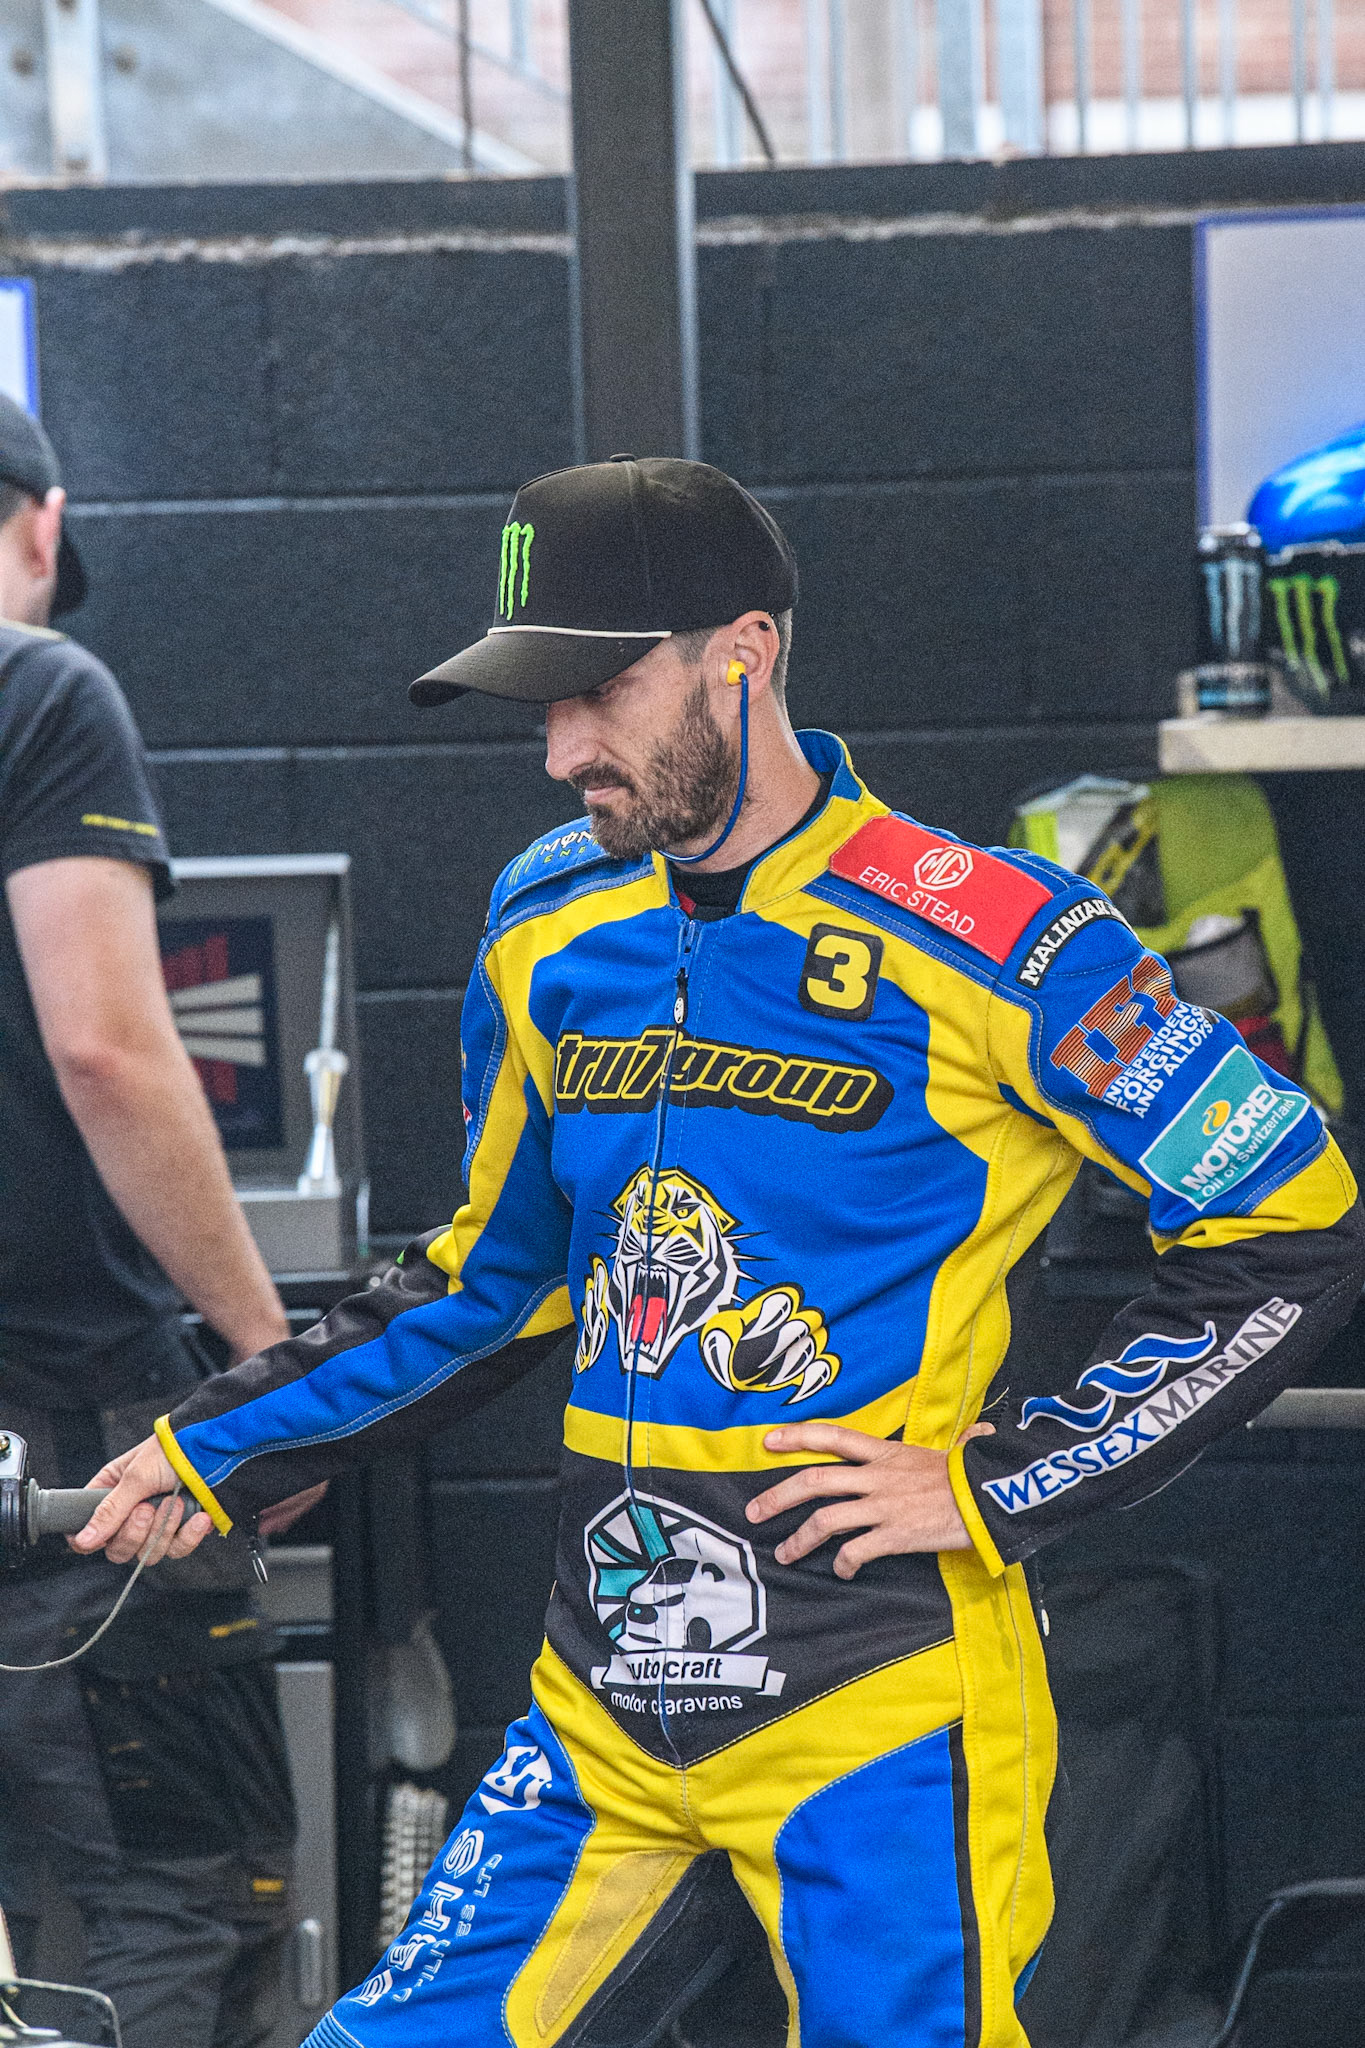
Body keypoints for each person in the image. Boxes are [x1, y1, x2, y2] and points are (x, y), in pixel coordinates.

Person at [79, 457, 1365, 2048]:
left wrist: (1006, 1477)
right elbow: (497, 1277)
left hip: (878, 1700)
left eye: (598, 693)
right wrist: (223, 1441)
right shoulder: (545, 925)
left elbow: (1288, 1214)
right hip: (600, 1703)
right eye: (534, 704)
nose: (559, 752)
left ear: (740, 651)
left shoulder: (998, 937)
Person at [0, 394, 316, 2048]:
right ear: (42, 524)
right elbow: (110, 1050)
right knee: (181, 1895)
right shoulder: (36, 685)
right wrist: (274, 1362)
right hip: (63, 1444)